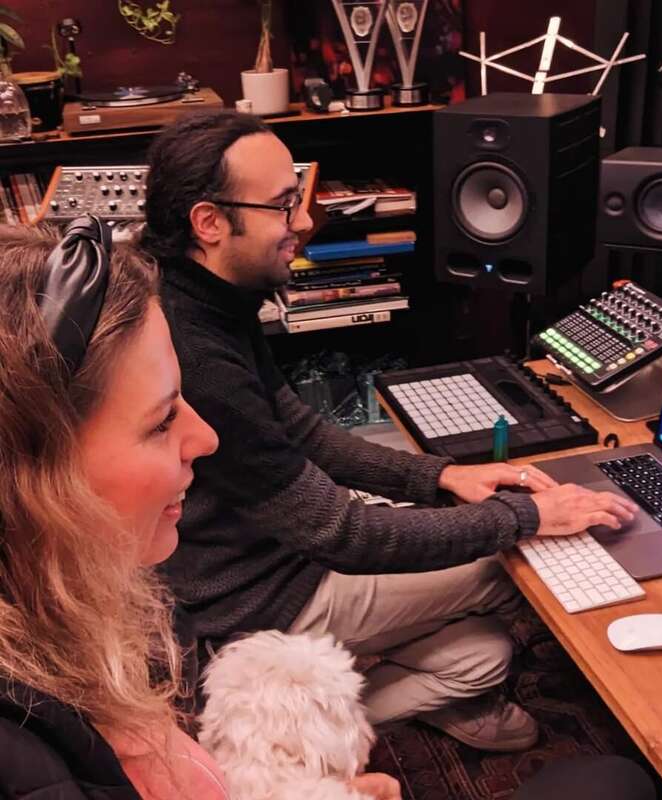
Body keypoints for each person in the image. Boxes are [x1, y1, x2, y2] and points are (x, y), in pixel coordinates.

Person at [142, 110, 637, 752]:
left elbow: (302, 431)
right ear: (208, 222)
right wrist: (528, 517)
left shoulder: (208, 295)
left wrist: (442, 476)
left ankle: (308, 716)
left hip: (274, 565)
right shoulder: (196, 351)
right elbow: (342, 535)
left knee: (481, 655)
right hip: (258, 600)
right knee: (510, 565)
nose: (304, 222)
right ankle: (264, 739)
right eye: (284, 205)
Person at [0, 220, 401, 800]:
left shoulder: (101, 611)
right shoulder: (23, 756)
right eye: (162, 421)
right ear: (31, 477)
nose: (206, 438)